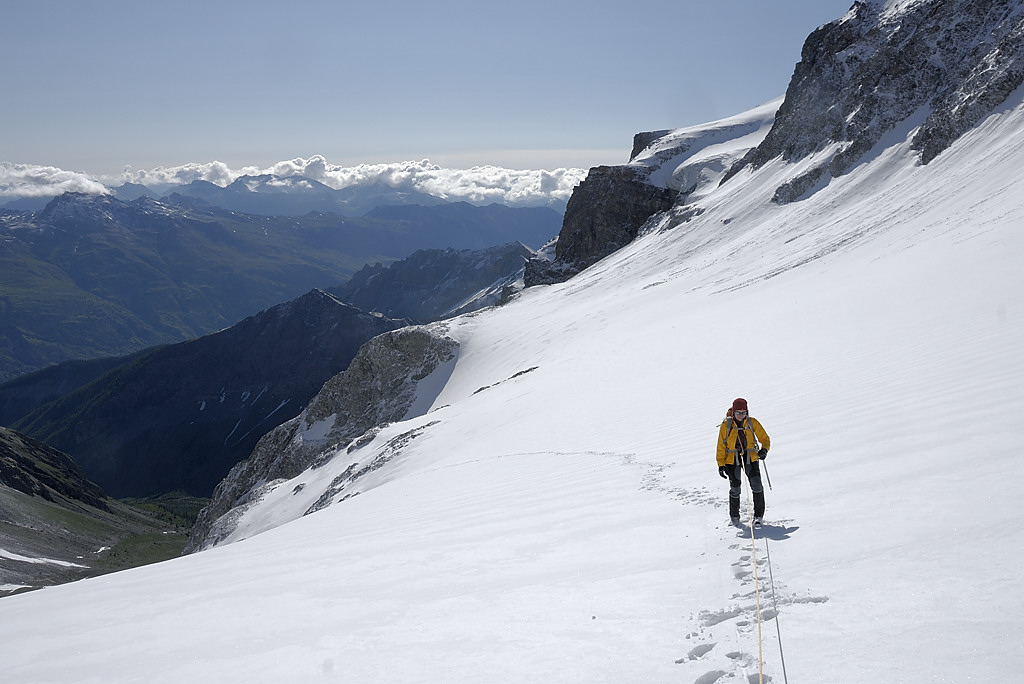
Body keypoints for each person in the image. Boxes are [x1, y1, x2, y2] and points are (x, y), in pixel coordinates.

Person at [716, 397, 771, 525]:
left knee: (757, 485)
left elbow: (765, 439)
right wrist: (721, 464)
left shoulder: (752, 422)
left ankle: (758, 516)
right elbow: (721, 446)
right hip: (732, 459)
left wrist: (764, 450)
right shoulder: (726, 425)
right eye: (738, 412)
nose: (741, 415)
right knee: (735, 488)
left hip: (750, 457)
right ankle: (734, 517)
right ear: (733, 412)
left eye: (743, 412)